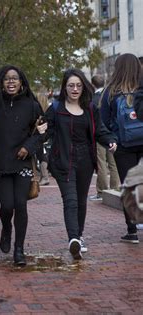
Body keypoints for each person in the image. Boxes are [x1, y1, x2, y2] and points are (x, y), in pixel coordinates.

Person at [46, 68, 117, 260]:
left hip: (85, 160)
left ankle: (79, 235)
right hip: (63, 162)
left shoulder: (90, 108)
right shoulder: (55, 108)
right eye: (71, 85)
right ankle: (74, 239)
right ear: (65, 87)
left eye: (78, 85)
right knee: (70, 200)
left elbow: (100, 130)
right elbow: (45, 131)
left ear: (83, 87)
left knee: (81, 201)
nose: (75, 89)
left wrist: (110, 140)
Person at [0, 65, 46, 266]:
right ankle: (6, 229)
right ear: (1, 82)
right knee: (6, 206)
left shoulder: (31, 105)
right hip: (1, 164)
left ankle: (19, 249)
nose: (11, 82)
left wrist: (29, 147)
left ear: (22, 82)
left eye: (15, 78)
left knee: (20, 205)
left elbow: (43, 131)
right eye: (6, 79)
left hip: (22, 162)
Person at [100, 54, 142, 244]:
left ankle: (131, 230)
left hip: (123, 145)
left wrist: (111, 140)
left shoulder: (110, 92)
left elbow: (104, 122)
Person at [89, 74, 120, 201]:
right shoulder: (111, 95)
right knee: (113, 164)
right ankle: (115, 189)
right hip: (112, 134)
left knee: (101, 163)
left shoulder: (93, 99)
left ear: (93, 84)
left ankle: (101, 191)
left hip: (100, 134)